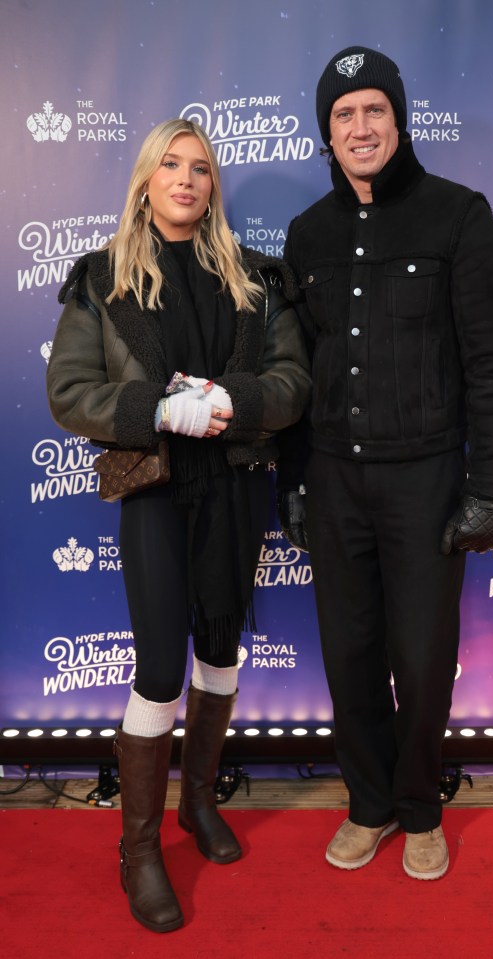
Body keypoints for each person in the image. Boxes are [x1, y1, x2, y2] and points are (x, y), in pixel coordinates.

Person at [47, 117, 310, 932]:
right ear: (145, 179)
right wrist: (155, 409)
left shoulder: (256, 276)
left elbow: (294, 378)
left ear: (212, 185)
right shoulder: (100, 277)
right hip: (155, 489)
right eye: (170, 165)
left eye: (199, 168)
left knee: (222, 648)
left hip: (234, 485)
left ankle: (198, 799)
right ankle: (140, 846)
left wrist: (235, 402)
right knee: (160, 668)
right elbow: (69, 389)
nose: (186, 180)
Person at [277, 47, 493, 880]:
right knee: (347, 655)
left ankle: (420, 807)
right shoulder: (306, 234)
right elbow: (296, 372)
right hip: (334, 476)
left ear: (399, 118)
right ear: (326, 131)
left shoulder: (460, 216)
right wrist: (294, 481)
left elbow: (492, 362)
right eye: (343, 114)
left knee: (419, 657)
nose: (359, 126)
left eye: (372, 109)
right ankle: (369, 803)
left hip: (425, 480)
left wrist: (486, 486)